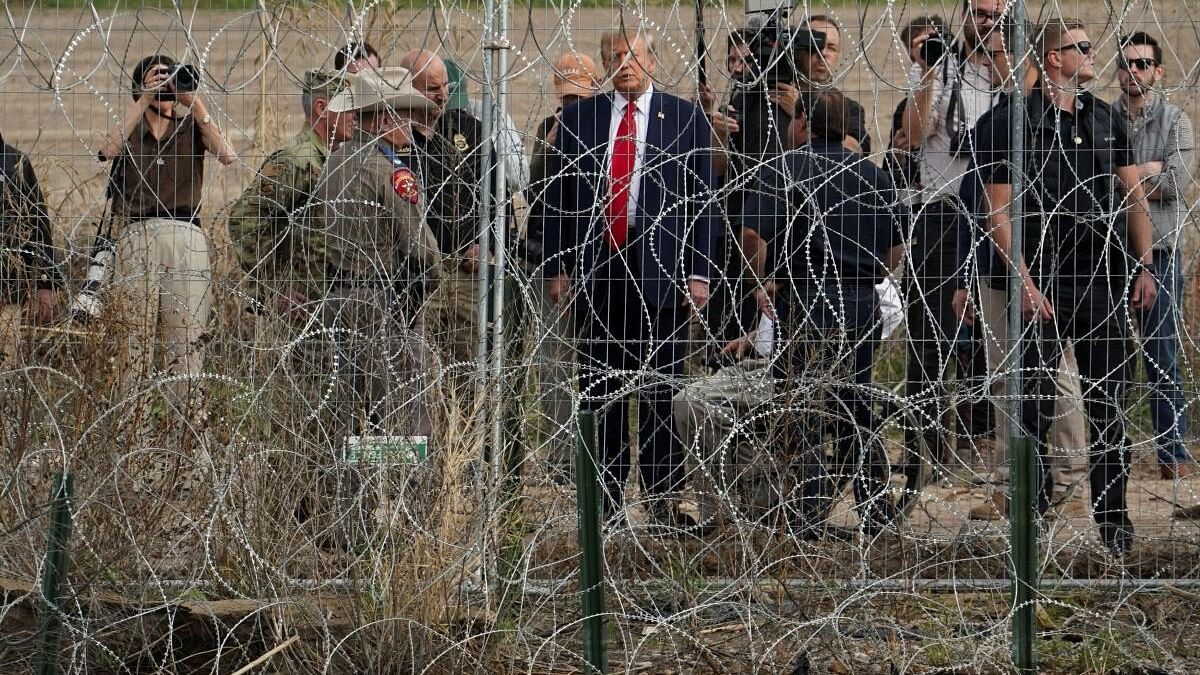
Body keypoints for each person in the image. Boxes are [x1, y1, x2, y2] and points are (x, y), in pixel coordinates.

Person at [975, 18, 1158, 556]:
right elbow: (999, 212)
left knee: (1108, 408)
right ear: (1053, 58)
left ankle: (1114, 526)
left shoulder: (1103, 119)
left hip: (1099, 278)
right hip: (1040, 282)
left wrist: (1144, 264)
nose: (1093, 55)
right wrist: (1024, 282)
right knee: (1031, 408)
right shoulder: (1011, 123)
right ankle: (1029, 525)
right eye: (1080, 47)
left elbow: (1132, 196)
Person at [543, 28, 718, 527]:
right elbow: (558, 199)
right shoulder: (581, 119)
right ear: (604, 65)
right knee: (603, 386)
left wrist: (699, 272)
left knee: (660, 385)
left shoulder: (683, 119)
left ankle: (663, 497)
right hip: (602, 263)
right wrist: (558, 267)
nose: (625, 65)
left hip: (661, 263)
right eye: (614, 57)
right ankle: (607, 499)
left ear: (652, 62)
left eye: (633, 56)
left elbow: (701, 200)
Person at [741, 90, 907, 537]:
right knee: (855, 403)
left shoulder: (786, 169)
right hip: (859, 303)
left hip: (805, 299)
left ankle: (809, 512)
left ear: (801, 124)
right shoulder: (874, 176)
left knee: (802, 407)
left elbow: (753, 235)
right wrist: (864, 272)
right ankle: (874, 508)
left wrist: (759, 280)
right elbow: (893, 249)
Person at [951, 24, 1088, 521]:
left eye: (999, 53)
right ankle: (1046, 484)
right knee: (1032, 377)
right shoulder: (1012, 121)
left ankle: (1043, 485)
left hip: (1029, 269)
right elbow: (977, 203)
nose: (991, 62)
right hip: (1017, 267)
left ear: (1030, 57)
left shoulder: (1036, 121)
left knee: (1043, 377)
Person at [94, 53, 237, 423]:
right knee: (133, 347)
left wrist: (195, 101)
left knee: (186, 348)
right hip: (136, 235)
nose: (165, 86)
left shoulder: (192, 128)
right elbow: (105, 150)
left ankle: (186, 450)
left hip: (185, 233)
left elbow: (228, 155)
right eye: (157, 78)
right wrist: (142, 101)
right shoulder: (131, 130)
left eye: (170, 78)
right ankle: (132, 440)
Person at [899, 0, 1002, 478]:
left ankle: (982, 436)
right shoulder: (941, 70)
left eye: (995, 13)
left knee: (990, 330)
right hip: (940, 212)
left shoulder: (1010, 69)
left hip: (994, 212)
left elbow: (1021, 101)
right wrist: (932, 69)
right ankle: (925, 440)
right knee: (929, 329)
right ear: (963, 14)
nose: (985, 21)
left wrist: (1000, 49)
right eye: (978, 12)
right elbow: (915, 134)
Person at [315, 67, 442, 443]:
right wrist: (420, 299)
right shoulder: (391, 173)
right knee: (402, 417)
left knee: (348, 414)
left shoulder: (333, 163)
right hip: (384, 303)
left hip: (337, 300)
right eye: (405, 113)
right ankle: (405, 494)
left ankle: (352, 494)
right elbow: (423, 252)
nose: (411, 123)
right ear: (385, 117)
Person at [1113, 31, 1196, 480]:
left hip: (1160, 254)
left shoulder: (1175, 121)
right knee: (1109, 357)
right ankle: (1111, 450)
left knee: (1161, 354)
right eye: (1126, 64)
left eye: (1143, 64)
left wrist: (1133, 177)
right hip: (1108, 253)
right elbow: (1095, 186)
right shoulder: (1103, 120)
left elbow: (1176, 182)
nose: (1134, 71)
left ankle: (1172, 452)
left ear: (1158, 71)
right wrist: (1149, 170)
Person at [525, 52, 601, 481]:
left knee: (596, 359)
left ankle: (595, 451)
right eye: (567, 97)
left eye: (579, 98)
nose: (572, 106)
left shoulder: (603, 130)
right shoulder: (548, 131)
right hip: (548, 260)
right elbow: (535, 193)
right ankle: (559, 457)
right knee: (554, 362)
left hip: (593, 262)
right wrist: (551, 146)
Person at [227, 69, 354, 323]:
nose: (356, 116)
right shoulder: (296, 161)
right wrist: (273, 289)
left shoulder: (336, 160)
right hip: (301, 309)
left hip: (332, 303)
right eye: (349, 107)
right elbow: (244, 219)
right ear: (322, 108)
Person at [399, 49, 493, 373]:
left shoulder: (469, 132)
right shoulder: (397, 142)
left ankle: (463, 424)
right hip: (417, 278)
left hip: (465, 273)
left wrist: (487, 244)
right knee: (418, 373)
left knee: (466, 369)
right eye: (431, 88)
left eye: (445, 87)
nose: (441, 96)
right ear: (408, 89)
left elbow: (496, 198)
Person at [0, 131, 60, 365]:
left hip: (6, 291)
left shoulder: (15, 163)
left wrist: (46, 282)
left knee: (4, 370)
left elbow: (38, 224)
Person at [445, 58, 530, 194]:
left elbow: (519, 178)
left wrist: (483, 141)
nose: (453, 115)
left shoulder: (490, 115)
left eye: (457, 106)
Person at [885, 16, 947, 203]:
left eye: (935, 40)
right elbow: (890, 170)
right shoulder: (905, 109)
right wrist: (898, 156)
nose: (932, 47)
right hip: (925, 197)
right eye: (923, 46)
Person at [790, 15, 872, 152]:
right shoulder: (769, 100)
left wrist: (798, 110)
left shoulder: (848, 109)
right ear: (797, 50)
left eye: (832, 47)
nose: (823, 53)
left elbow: (856, 152)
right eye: (815, 44)